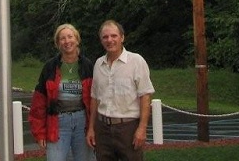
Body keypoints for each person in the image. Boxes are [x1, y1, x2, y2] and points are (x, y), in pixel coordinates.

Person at [86, 20, 155, 161]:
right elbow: (95, 98)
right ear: (101, 40)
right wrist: (92, 128)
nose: (109, 40)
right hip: (102, 129)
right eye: (105, 37)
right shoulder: (98, 64)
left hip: (128, 128)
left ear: (122, 37)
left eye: (114, 36)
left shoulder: (136, 61)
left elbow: (145, 96)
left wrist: (142, 129)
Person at [28, 23, 96, 161]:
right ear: (58, 43)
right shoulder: (50, 67)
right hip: (57, 122)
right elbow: (39, 102)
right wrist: (39, 132)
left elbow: (96, 99)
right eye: (62, 38)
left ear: (77, 40)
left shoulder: (88, 66)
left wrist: (94, 128)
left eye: (70, 37)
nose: (67, 41)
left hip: (82, 122)